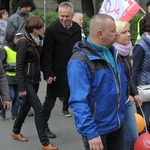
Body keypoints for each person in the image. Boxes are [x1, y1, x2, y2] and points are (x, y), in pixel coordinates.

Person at [67, 14, 128, 150]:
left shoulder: (113, 52)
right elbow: (78, 102)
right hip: (97, 131)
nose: (116, 33)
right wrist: (91, 133)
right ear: (100, 33)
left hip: (116, 125)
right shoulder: (80, 61)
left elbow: (121, 84)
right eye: (113, 30)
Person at [10, 16, 58, 150]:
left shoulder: (38, 41)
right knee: (38, 109)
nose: (44, 29)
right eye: (42, 27)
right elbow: (19, 66)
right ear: (35, 29)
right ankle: (45, 143)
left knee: (25, 106)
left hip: (35, 80)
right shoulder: (23, 42)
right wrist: (21, 87)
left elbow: (40, 62)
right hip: (26, 80)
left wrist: (48, 75)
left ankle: (15, 131)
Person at [41, 2, 81, 138]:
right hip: (57, 73)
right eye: (62, 16)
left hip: (74, 71)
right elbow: (46, 54)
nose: (64, 19)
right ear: (58, 14)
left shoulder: (77, 28)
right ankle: (43, 127)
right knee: (49, 102)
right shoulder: (52, 29)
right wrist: (48, 73)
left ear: (72, 15)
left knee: (81, 98)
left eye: (67, 16)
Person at [113, 20, 142, 150]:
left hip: (127, 100)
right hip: (119, 102)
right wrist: (126, 94)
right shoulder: (113, 54)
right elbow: (115, 80)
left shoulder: (124, 52)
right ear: (116, 35)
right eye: (124, 32)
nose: (129, 34)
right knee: (125, 140)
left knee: (133, 138)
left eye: (129, 31)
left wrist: (134, 93)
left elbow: (128, 77)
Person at [5, 0, 34, 116]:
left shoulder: (32, 17)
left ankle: (26, 105)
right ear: (21, 7)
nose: (28, 9)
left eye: (30, 7)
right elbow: (9, 36)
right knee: (20, 79)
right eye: (26, 7)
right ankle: (21, 106)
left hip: (31, 49)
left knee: (29, 77)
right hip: (18, 49)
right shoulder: (13, 18)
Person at [130, 16, 150, 134]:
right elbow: (134, 70)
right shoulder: (140, 46)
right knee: (144, 121)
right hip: (144, 88)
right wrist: (134, 92)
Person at [0, 32, 23, 120]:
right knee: (11, 96)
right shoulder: (5, 49)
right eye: (17, 37)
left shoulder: (20, 47)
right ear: (11, 38)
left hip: (18, 77)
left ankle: (14, 115)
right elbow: (2, 65)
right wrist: (12, 67)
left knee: (17, 97)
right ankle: (3, 108)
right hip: (8, 77)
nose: (19, 39)